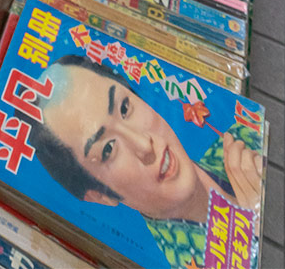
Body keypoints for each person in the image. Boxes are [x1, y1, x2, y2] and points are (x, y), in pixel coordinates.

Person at [31, 55, 264, 269]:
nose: (144, 145)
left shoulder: (243, 134)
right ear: (100, 195)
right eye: (108, 149)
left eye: (125, 107)